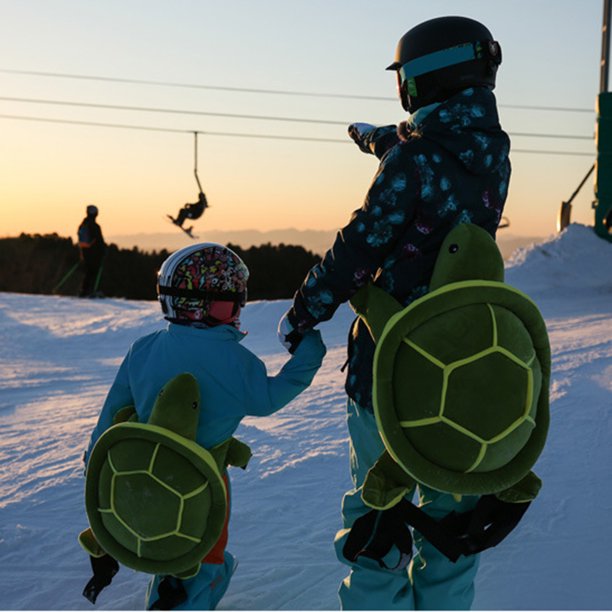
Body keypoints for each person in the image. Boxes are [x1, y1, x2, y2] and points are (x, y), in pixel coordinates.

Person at [278, 16, 510, 611]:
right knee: (450, 511)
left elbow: (358, 249)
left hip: (390, 367)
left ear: (419, 81)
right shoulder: (493, 153)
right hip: (460, 367)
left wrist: (304, 311)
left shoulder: (411, 163)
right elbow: (432, 158)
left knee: (375, 512)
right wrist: (379, 139)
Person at [84, 242, 326, 610]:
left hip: (139, 478)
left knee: (167, 545)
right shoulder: (237, 362)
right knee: (200, 557)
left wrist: (95, 469)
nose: (237, 311)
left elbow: (110, 417)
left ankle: (168, 591)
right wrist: (309, 351)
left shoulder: (143, 349)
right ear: (215, 306)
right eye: (232, 302)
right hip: (203, 483)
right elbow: (271, 397)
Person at [78, 204, 106, 297]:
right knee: (93, 272)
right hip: (94, 253)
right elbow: (99, 240)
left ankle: (84, 290)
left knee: (88, 272)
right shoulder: (94, 226)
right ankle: (91, 290)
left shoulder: (83, 224)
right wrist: (103, 250)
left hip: (85, 252)